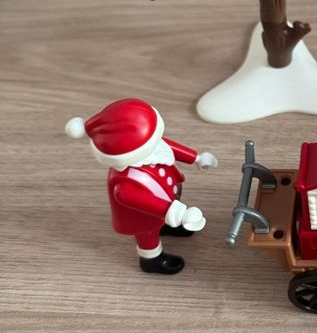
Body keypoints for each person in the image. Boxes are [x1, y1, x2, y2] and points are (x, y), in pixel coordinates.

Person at [65, 98, 217, 274]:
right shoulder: (124, 182)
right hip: (144, 216)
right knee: (148, 236)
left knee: (162, 221)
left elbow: (169, 147)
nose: (157, 142)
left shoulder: (152, 147)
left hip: (167, 199)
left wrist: (196, 158)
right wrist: (175, 212)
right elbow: (139, 200)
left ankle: (167, 226)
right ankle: (152, 260)